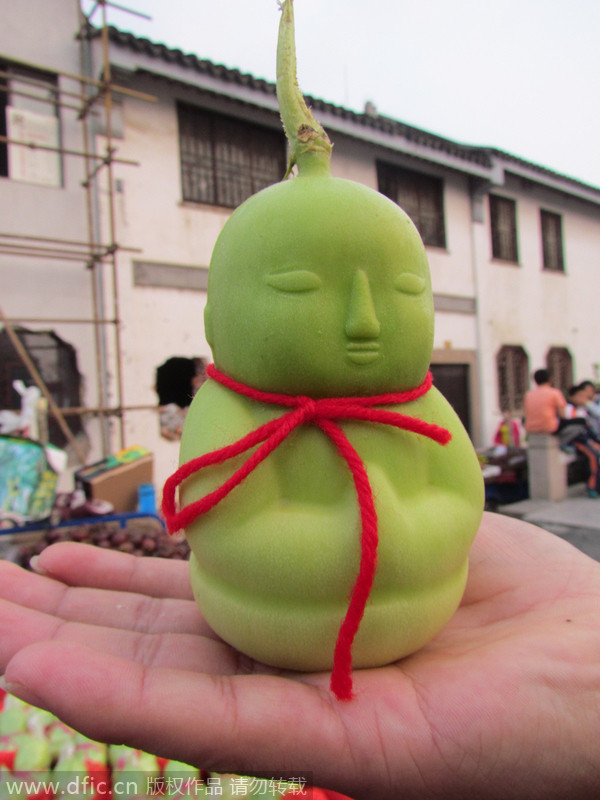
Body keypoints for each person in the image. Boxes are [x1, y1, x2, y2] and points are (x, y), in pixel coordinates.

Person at [1, 512, 600, 798]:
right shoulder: (230, 411)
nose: (363, 321)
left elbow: (454, 499)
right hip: (247, 615)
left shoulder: (417, 412)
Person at [523, 368, 567, 434]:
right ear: (550, 379)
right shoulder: (555, 393)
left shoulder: (528, 394)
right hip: (550, 427)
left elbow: (526, 412)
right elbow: (562, 415)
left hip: (530, 428)